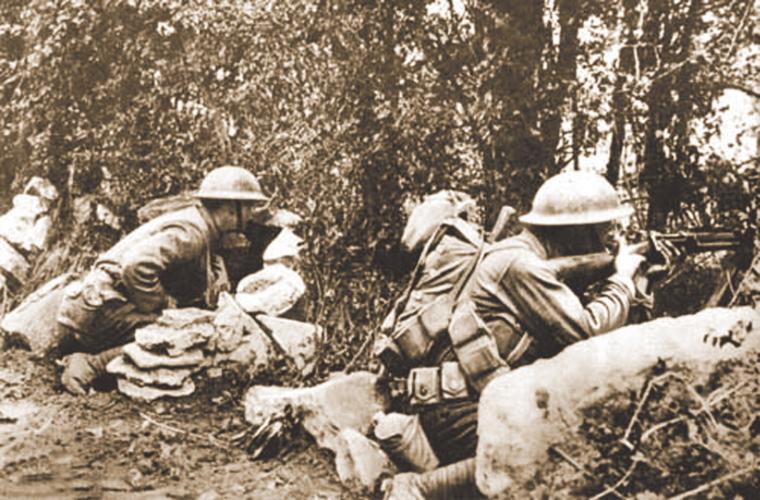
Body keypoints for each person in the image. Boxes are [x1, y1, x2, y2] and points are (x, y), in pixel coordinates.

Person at [380, 170, 646, 499]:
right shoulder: (520, 264)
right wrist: (623, 280)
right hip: (458, 409)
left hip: (456, 400)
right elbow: (586, 332)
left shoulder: (519, 256)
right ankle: (419, 489)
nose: (611, 239)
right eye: (605, 230)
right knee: (554, 449)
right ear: (578, 232)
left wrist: (641, 285)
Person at [55, 166, 270, 395]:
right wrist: (163, 306)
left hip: (94, 307)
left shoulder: (196, 223)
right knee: (182, 337)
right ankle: (90, 365)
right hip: (99, 312)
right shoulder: (191, 234)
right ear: (229, 208)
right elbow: (136, 267)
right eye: (248, 207)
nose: (250, 215)